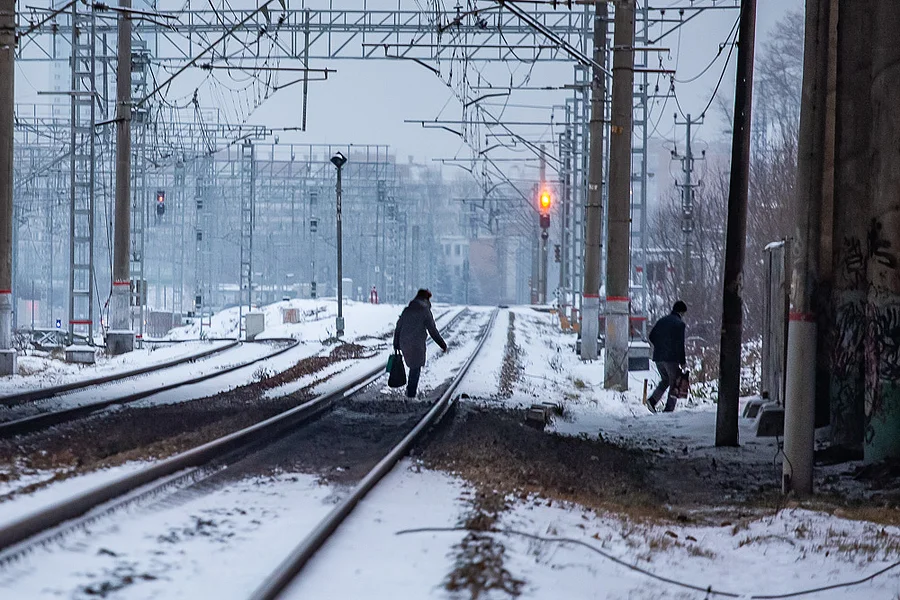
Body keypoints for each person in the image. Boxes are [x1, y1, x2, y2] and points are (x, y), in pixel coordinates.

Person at [393, 289, 448, 398]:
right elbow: (432, 330)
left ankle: (410, 392)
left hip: (404, 342)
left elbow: (398, 327)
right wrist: (442, 344)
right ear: (426, 299)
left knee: (413, 366)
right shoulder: (425, 311)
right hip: (417, 344)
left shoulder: (407, 310)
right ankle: (411, 394)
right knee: (415, 368)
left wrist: (396, 343)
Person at [647, 300, 687, 413]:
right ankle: (669, 409)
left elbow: (651, 336)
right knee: (674, 383)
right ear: (681, 312)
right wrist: (682, 362)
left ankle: (652, 401)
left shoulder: (661, 321)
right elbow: (680, 344)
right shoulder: (680, 324)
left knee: (665, 380)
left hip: (658, 358)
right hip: (671, 359)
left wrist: (660, 347)